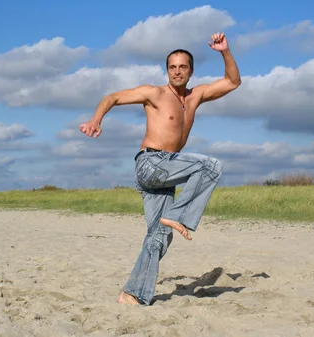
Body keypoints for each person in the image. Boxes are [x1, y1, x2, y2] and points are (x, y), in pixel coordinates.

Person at [79, 33, 242, 305]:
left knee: (159, 237)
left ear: (191, 71)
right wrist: (96, 120)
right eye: (172, 67)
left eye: (182, 67)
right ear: (167, 70)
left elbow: (233, 82)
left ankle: (132, 293)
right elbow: (113, 97)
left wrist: (224, 51)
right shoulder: (154, 94)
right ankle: (178, 215)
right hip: (150, 163)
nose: (177, 71)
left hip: (166, 175)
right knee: (211, 165)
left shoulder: (196, 96)